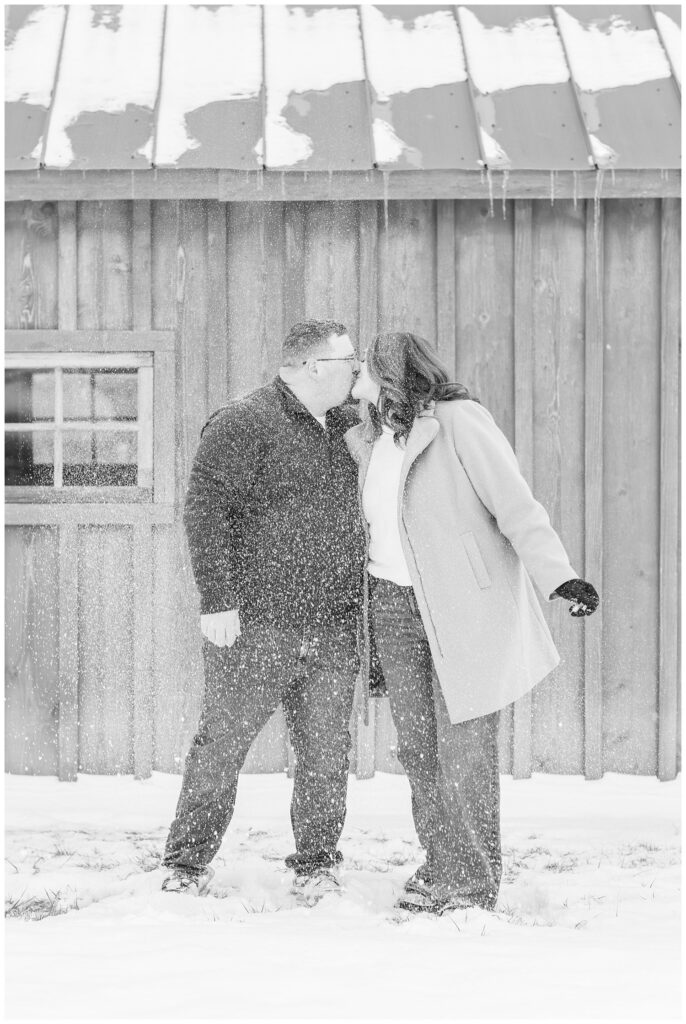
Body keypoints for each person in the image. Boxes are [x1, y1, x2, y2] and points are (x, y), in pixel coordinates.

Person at [348, 331, 599, 915]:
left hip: (461, 605)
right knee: (418, 748)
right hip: (391, 606)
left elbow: (515, 504)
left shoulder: (460, 421)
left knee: (463, 749)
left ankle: (469, 884)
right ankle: (443, 862)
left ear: (391, 371)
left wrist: (559, 577)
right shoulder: (374, 434)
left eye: (365, 364)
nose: (356, 372)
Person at [161, 319, 365, 901]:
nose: (356, 369)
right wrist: (218, 599)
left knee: (326, 756)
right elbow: (206, 511)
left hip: (333, 626)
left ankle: (317, 863)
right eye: (347, 360)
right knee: (221, 747)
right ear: (311, 368)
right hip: (257, 625)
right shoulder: (245, 421)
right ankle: (186, 863)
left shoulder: (351, 426)